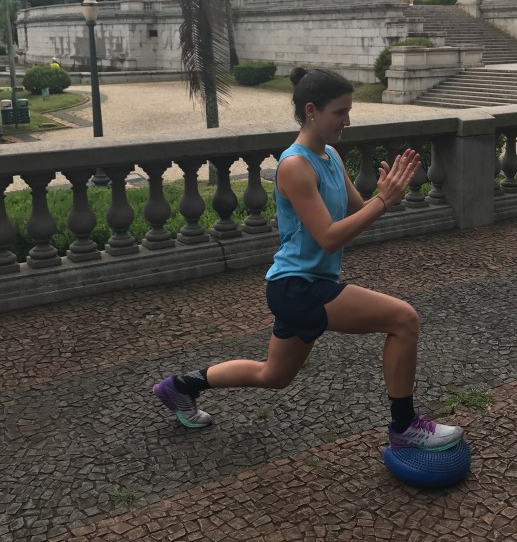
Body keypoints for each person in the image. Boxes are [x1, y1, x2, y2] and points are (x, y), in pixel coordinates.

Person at [153, 67, 463, 452]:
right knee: (404, 319)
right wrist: (384, 200)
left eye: (349, 111)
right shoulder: (295, 166)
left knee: (273, 375)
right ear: (312, 110)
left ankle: (180, 386)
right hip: (299, 287)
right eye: (340, 112)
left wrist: (387, 194)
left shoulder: (329, 155)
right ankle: (404, 427)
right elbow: (330, 237)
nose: (347, 121)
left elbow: (356, 212)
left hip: (302, 285)